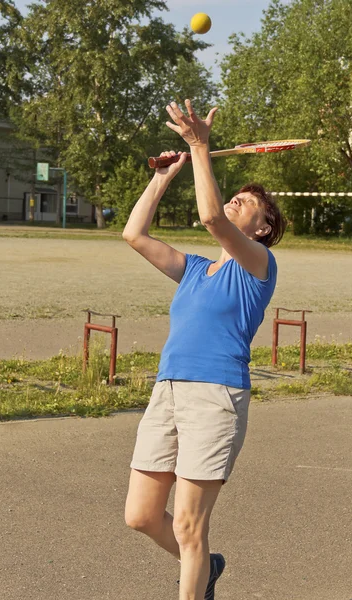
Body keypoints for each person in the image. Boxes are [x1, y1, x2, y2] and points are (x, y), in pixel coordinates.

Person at [123, 99, 286, 600]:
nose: (236, 202)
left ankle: (196, 572)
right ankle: (207, 566)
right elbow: (134, 234)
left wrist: (199, 147)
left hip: (215, 397)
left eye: (247, 203)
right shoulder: (195, 269)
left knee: (191, 526)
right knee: (142, 516)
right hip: (167, 391)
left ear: (261, 228)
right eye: (235, 196)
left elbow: (213, 215)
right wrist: (165, 175)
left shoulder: (258, 265)